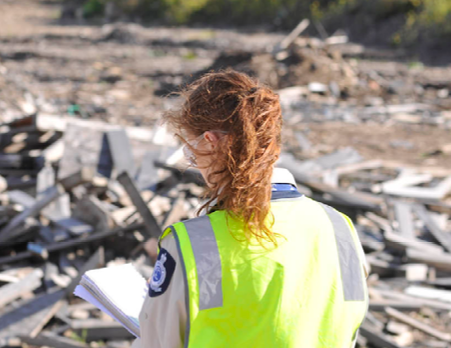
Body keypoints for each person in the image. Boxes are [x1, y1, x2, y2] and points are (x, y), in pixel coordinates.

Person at [132, 70, 369, 347]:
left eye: (190, 152)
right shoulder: (339, 227)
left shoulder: (193, 244)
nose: (194, 164)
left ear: (211, 141)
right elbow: (349, 325)